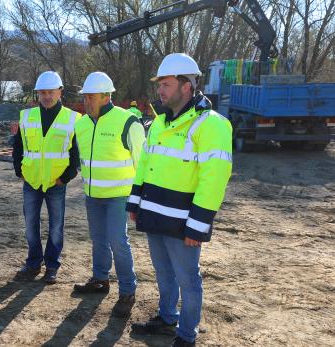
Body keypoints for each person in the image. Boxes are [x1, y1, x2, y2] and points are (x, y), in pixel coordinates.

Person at [127, 53, 232, 347]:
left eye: (167, 84)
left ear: (187, 86)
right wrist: (135, 203)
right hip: (155, 213)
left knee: (188, 278)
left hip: (184, 221)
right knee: (163, 273)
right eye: (160, 84)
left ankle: (186, 335)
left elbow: (215, 178)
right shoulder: (159, 124)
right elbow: (145, 165)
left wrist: (198, 226)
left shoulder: (211, 125)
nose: (160, 90)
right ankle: (166, 318)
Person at [72, 72, 145, 318]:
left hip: (118, 196)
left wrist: (139, 197)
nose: (86, 101)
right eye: (85, 96)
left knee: (117, 242)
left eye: (91, 96)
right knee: (98, 240)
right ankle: (100, 279)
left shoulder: (127, 122)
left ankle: (128, 291)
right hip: (92, 196)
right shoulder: (81, 124)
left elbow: (141, 162)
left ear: (106, 96)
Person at [12, 71, 80, 285]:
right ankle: (33, 262)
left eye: (51, 92)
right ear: (38, 94)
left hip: (55, 182)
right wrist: (19, 170)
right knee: (31, 225)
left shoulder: (73, 119)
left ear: (60, 92)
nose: (47, 96)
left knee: (56, 226)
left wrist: (65, 178)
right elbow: (18, 146)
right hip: (31, 180)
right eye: (43, 93)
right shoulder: (27, 116)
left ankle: (52, 265)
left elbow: (75, 154)